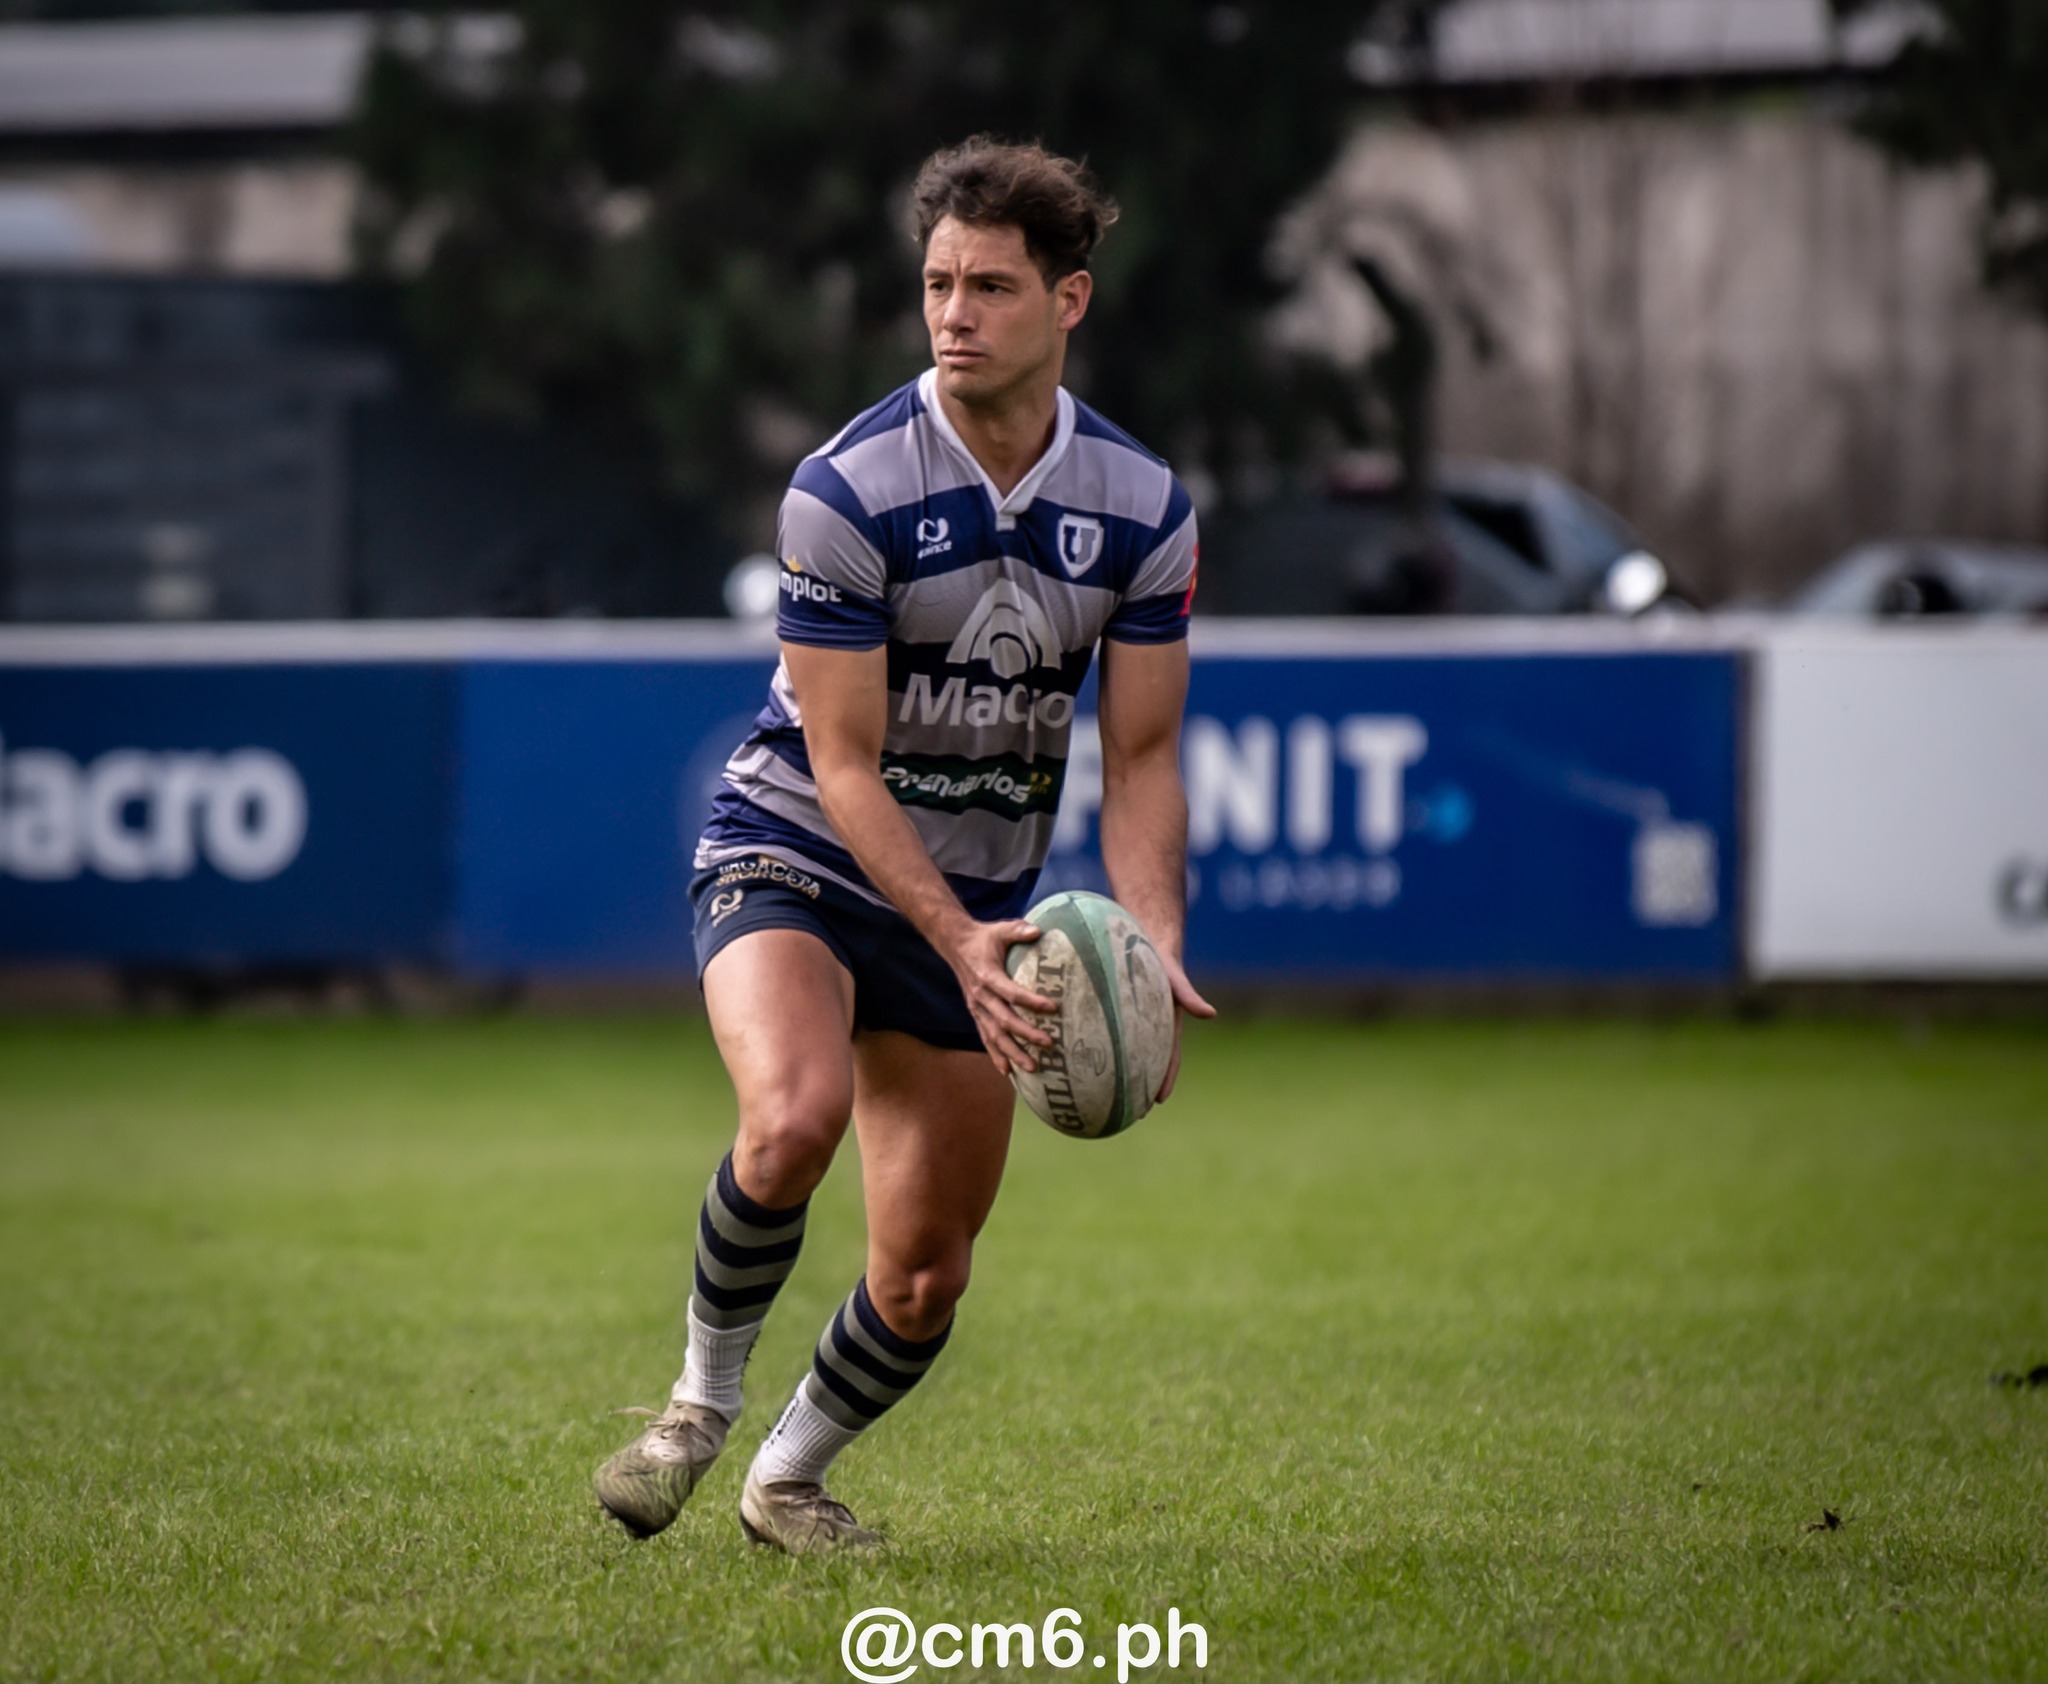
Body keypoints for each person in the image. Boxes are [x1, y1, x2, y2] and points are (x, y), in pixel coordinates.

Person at [593, 136, 1214, 1555]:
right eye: (937, 282)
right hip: (800, 848)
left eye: (991, 286)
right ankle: (695, 1410)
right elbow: (844, 760)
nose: (953, 312)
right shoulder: (847, 486)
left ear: (1071, 301)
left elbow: (1144, 753)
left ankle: (786, 1479)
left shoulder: (1142, 510)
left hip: (986, 894)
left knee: (927, 1275)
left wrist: (1154, 934)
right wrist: (960, 945)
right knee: (793, 1117)